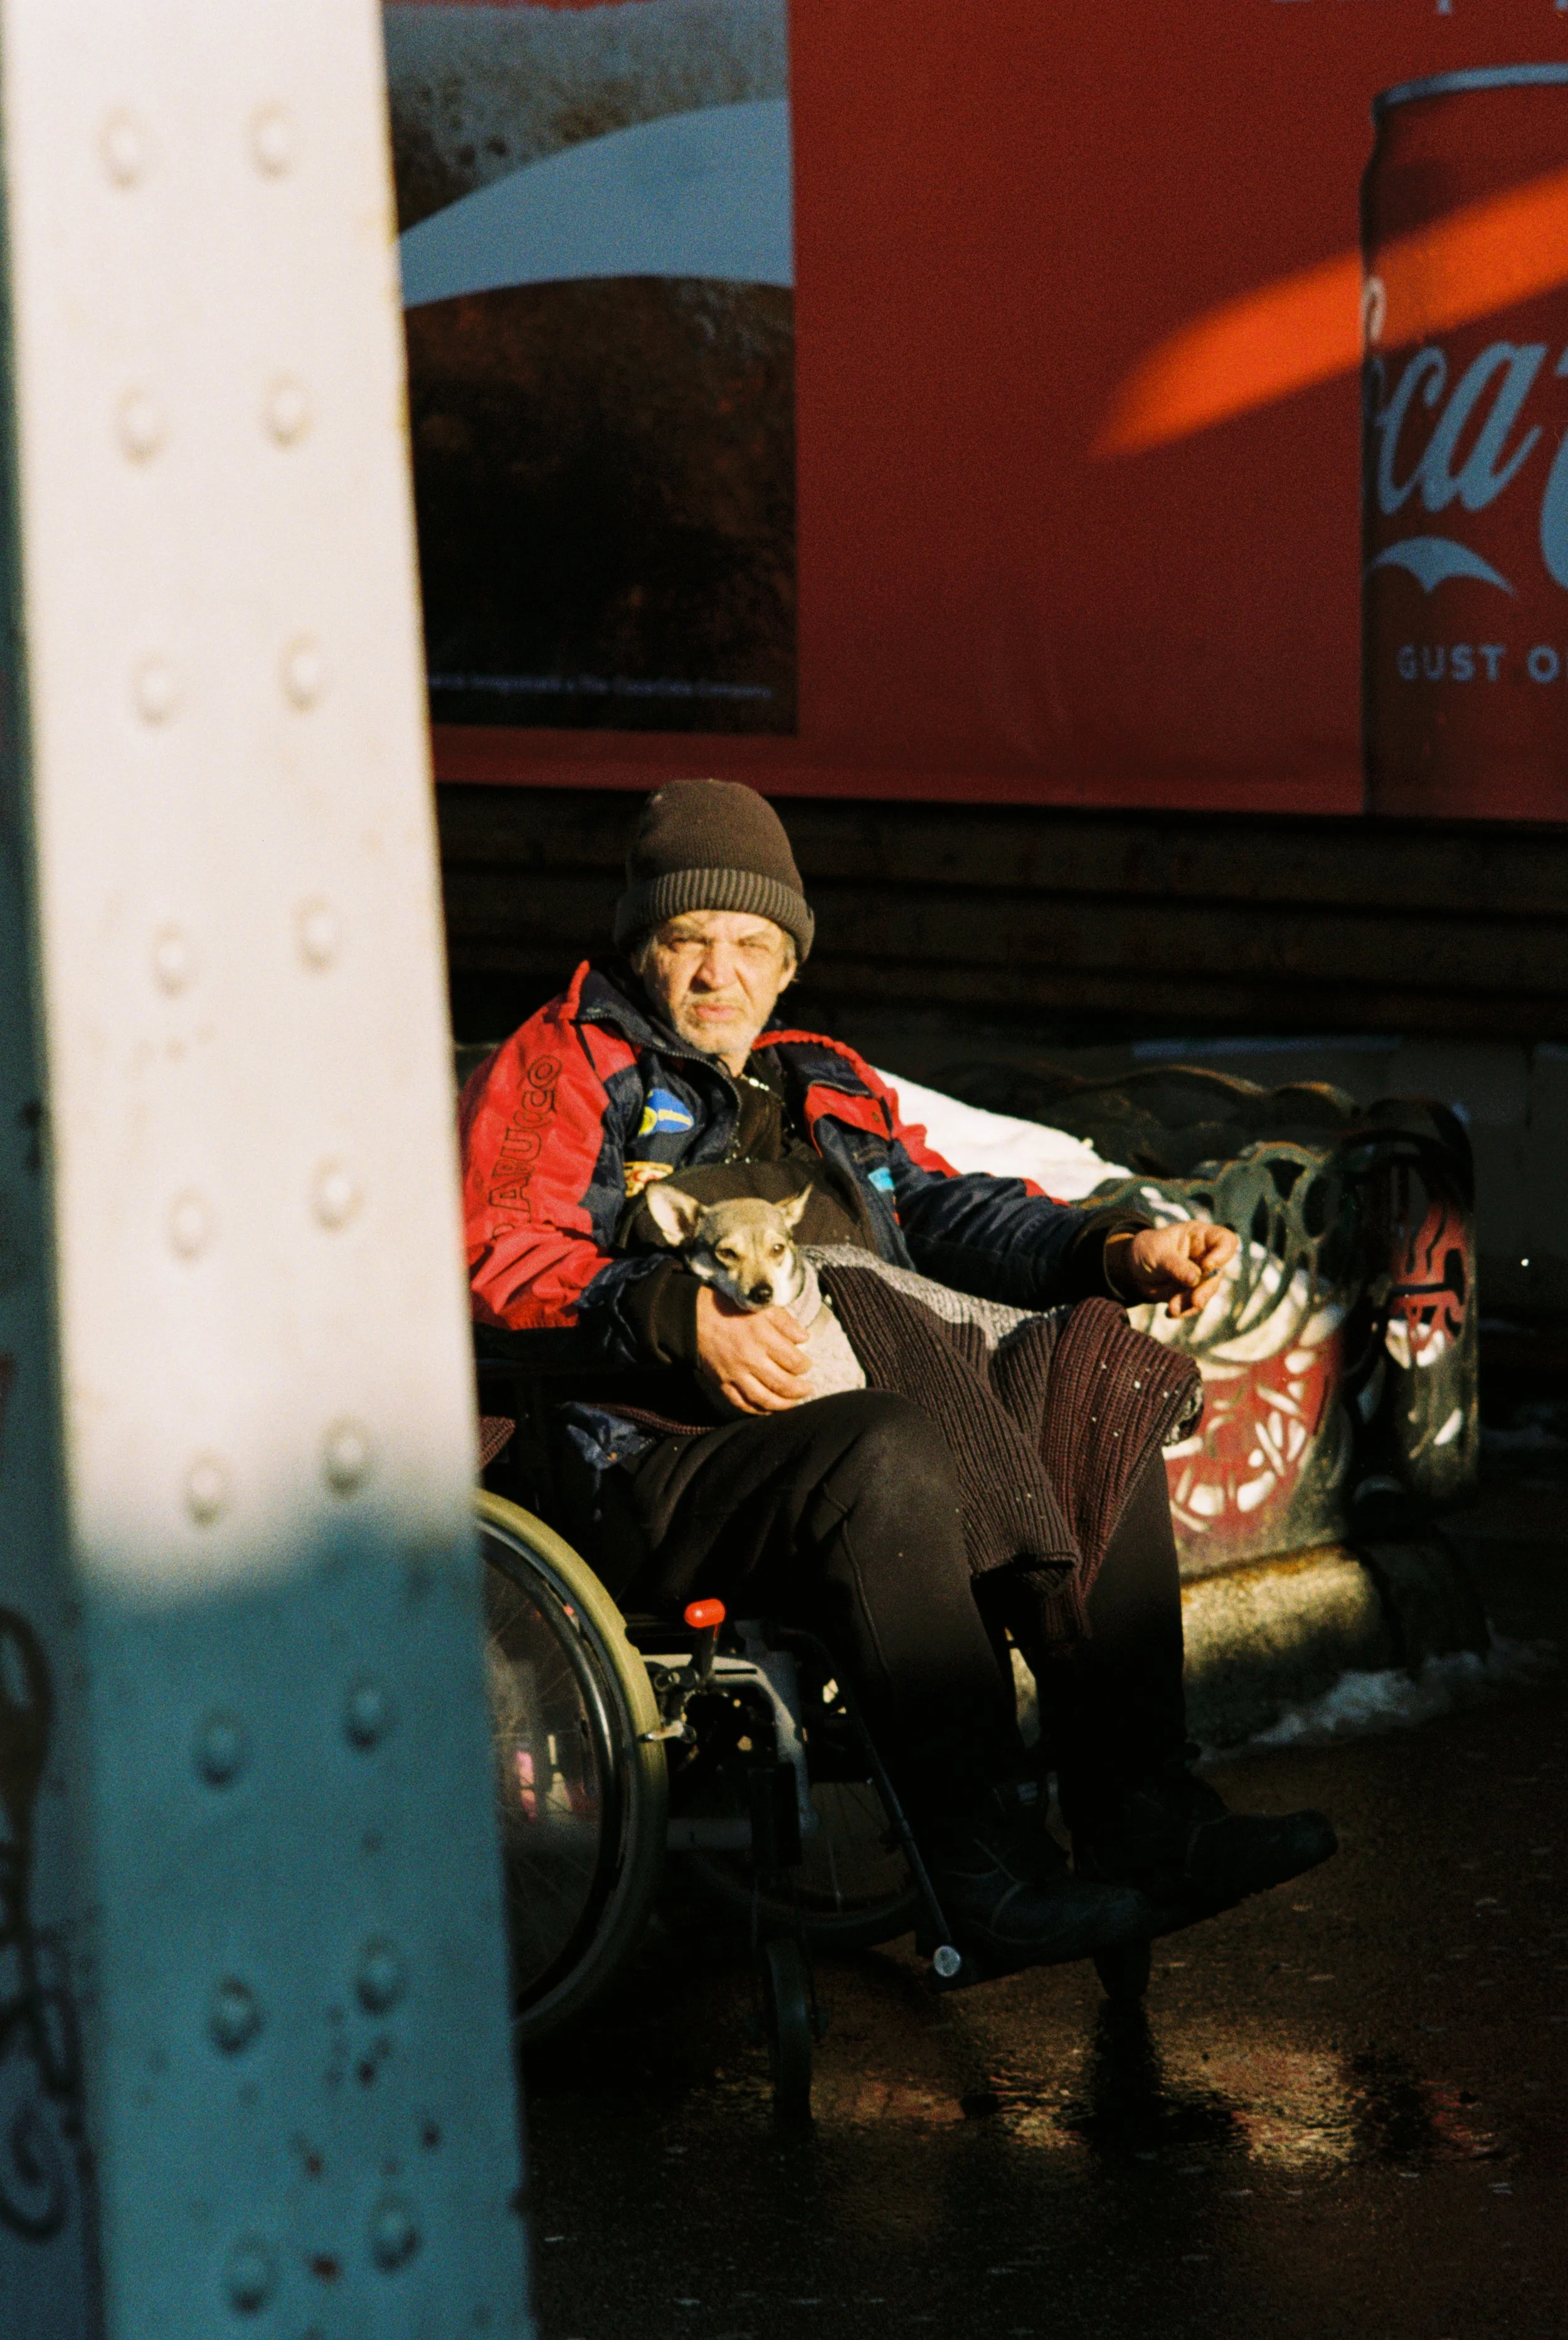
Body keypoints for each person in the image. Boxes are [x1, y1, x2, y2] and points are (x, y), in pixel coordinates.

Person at [460, 779, 1335, 1976]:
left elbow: (939, 1208)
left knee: (1098, 1381)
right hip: (655, 1458)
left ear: (787, 967)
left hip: (873, 1395)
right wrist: (677, 1318)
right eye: (689, 940)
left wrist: (1108, 1247)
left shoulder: (820, 1074)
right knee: (889, 1450)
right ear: (640, 946)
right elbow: (496, 1254)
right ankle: (988, 1872)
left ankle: (1146, 1816)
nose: (722, 971)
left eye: (753, 945)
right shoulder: (567, 1062)